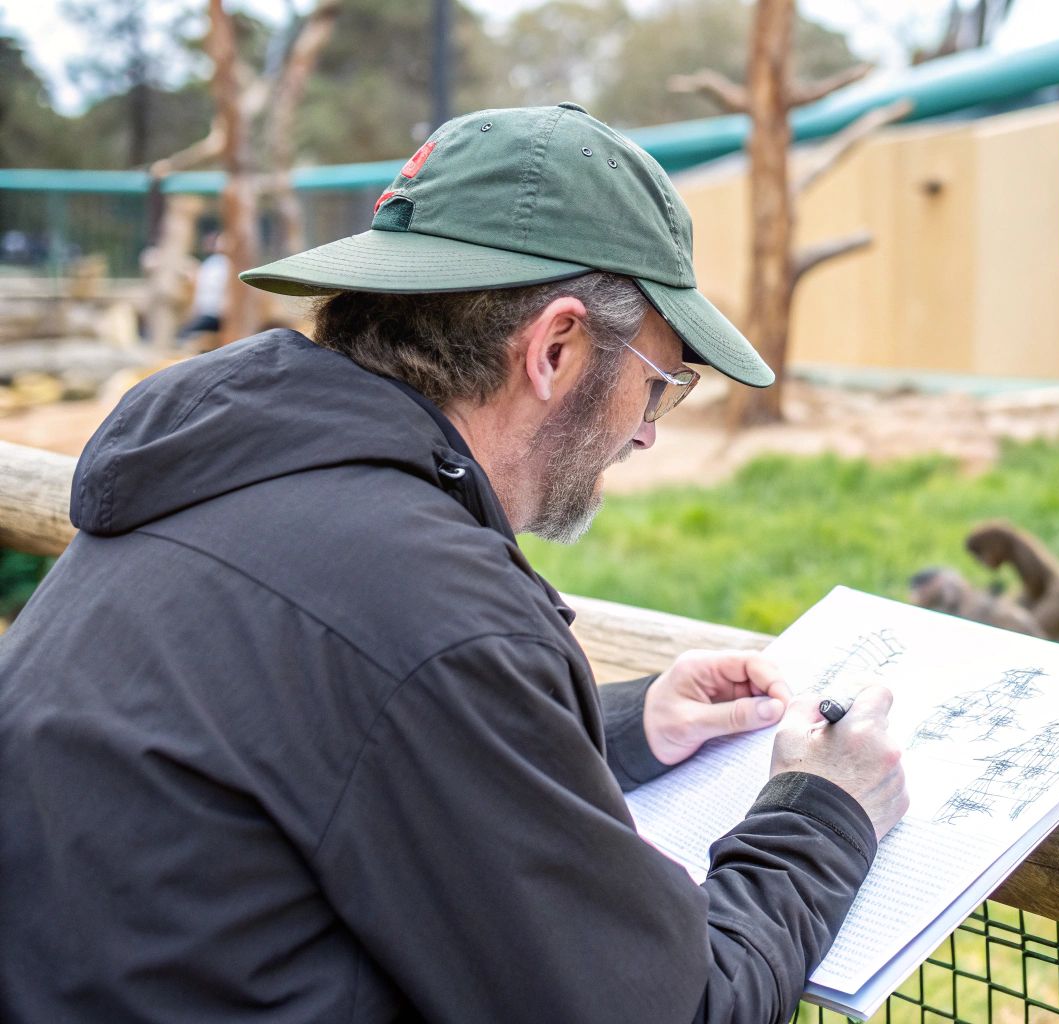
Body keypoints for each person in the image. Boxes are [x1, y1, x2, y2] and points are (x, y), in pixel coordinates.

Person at [0, 103, 909, 1023]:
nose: (644, 431)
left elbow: (321, 736)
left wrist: (626, 728)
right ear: (555, 348)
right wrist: (821, 811)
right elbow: (672, 1010)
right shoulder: (429, 606)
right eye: (659, 383)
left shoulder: (230, 478)